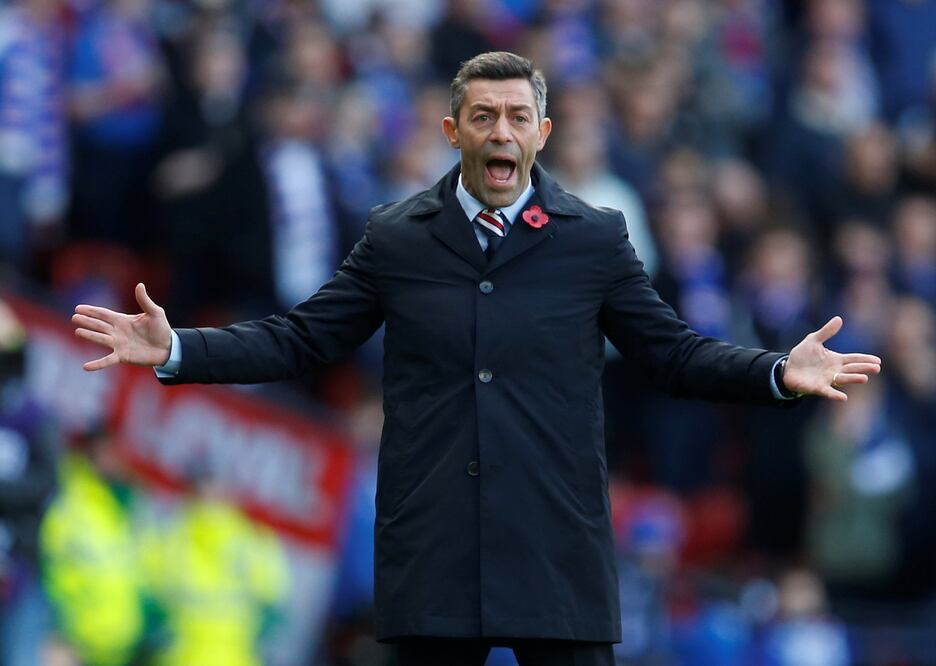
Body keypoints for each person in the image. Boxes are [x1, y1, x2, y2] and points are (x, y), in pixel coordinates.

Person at [72, 51, 882, 666]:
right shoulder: (396, 237)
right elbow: (300, 337)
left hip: (555, 551)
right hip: (434, 554)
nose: (501, 132)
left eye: (518, 117)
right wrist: (178, 347)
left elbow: (671, 353)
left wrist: (775, 371)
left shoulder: (595, 239)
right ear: (451, 130)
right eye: (484, 116)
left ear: (543, 134)